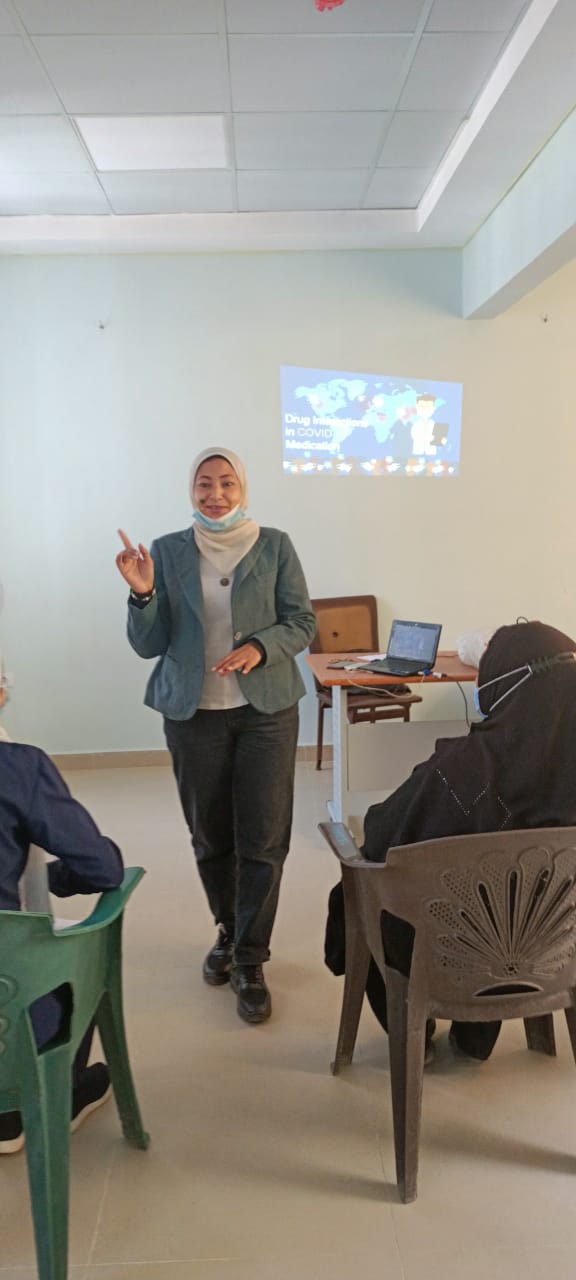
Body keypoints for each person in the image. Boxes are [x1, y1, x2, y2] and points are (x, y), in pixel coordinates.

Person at [116, 447, 316, 1025]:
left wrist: (260, 647)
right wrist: (143, 594)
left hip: (266, 712)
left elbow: (302, 621)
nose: (216, 494)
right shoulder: (166, 550)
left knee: (264, 838)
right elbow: (148, 644)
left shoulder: (274, 545)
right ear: (192, 489)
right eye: (204, 483)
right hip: (193, 713)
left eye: (227, 482)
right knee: (210, 836)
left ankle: (250, 958)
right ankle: (228, 930)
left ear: (242, 488)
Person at [325, 621, 576, 1061]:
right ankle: (475, 1038)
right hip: (552, 945)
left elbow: (384, 836)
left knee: (365, 892)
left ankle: (415, 1034)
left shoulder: (459, 773)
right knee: (507, 895)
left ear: (502, 683)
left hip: (450, 952)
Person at [0, 674, 124, 1154]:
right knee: (70, 964)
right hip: (11, 993)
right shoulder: (19, 767)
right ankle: (34, 1105)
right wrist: (49, 879)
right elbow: (101, 868)